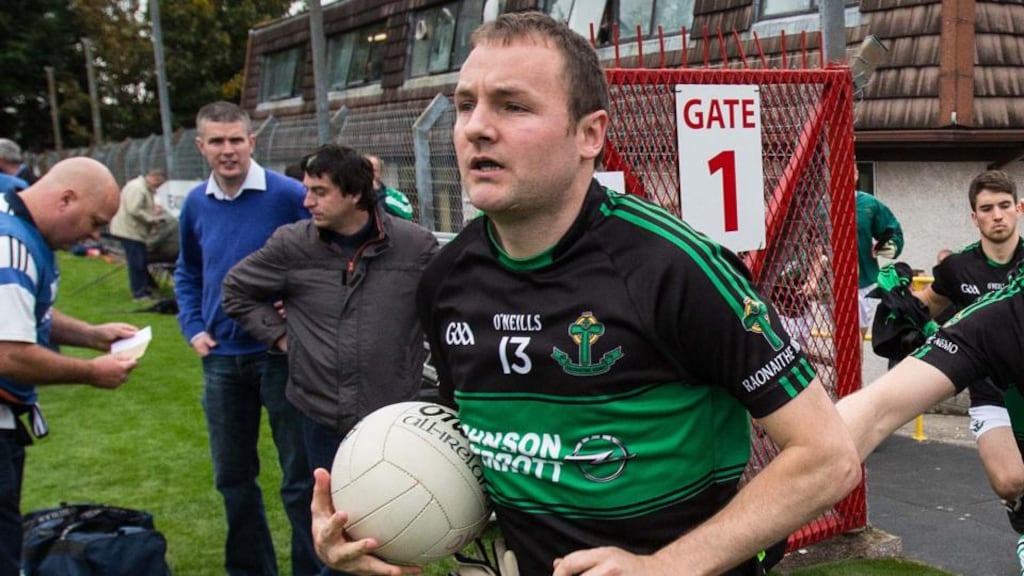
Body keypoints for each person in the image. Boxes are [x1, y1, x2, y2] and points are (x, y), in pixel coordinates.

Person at [309, 12, 861, 576]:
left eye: (512, 105)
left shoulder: (675, 269)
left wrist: (663, 567)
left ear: (589, 134)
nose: (477, 126)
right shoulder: (446, 279)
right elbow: (477, 457)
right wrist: (379, 527)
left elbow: (827, 458)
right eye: (465, 104)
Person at [222, 142, 438, 488]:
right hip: (318, 413)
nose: (307, 202)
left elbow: (443, 311)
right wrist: (280, 336)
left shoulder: (416, 247)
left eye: (319, 192)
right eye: (308, 190)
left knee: (392, 519)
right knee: (325, 513)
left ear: (354, 194)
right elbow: (236, 290)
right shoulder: (292, 245)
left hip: (391, 415)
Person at [174, 101, 318, 576]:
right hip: (220, 360)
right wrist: (193, 326)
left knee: (300, 479)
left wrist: (294, 308)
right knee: (233, 478)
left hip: (278, 355)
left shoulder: (288, 195)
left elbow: (323, 261)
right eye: (217, 141)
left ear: (252, 141)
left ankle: (310, 568)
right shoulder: (196, 203)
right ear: (201, 147)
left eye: (236, 139)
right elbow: (188, 271)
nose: (228, 150)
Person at [0, 157, 139, 573]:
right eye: (95, 222)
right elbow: (8, 351)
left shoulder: (21, 230)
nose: (94, 235)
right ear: (65, 199)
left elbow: (28, 315)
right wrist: (91, 372)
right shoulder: (12, 243)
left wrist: (92, 335)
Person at [912, 170, 1024, 531]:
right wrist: (904, 311)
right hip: (991, 393)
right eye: (987, 208)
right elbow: (919, 310)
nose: (997, 215)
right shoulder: (957, 267)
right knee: (1009, 481)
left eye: (1005, 206)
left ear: (1019, 208)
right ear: (974, 217)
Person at [108, 168, 179, 300]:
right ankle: (139, 293)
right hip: (129, 231)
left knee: (138, 261)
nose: (159, 187)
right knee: (136, 263)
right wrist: (152, 219)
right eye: (160, 184)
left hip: (130, 229)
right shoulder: (139, 188)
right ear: (155, 178)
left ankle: (146, 288)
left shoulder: (140, 186)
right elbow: (134, 209)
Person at [855, 166, 904, 337]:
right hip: (826, 285)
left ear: (855, 173)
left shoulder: (868, 204)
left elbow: (893, 230)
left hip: (862, 282)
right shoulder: (820, 204)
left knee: (856, 339)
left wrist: (891, 245)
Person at [365, 154, 414, 220]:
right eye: (366, 170)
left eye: (374, 171)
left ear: (381, 173)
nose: (369, 174)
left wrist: (378, 193)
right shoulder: (353, 196)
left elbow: (408, 214)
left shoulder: (393, 195)